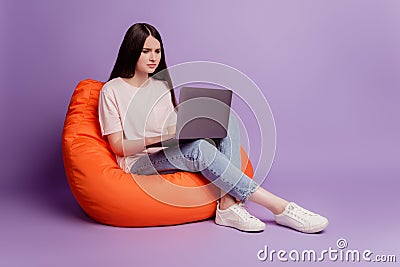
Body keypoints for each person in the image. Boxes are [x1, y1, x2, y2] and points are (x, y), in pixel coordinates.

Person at [98, 22, 328, 233]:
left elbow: (172, 130)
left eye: (157, 51)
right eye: (145, 51)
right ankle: (280, 207)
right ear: (131, 50)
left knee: (227, 121)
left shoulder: (159, 86)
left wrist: (192, 126)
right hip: (138, 162)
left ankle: (227, 205)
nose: (153, 58)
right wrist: (159, 137)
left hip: (167, 150)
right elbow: (119, 146)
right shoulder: (112, 90)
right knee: (199, 149)